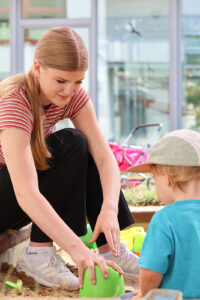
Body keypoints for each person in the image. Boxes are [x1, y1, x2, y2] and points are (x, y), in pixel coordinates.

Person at [0, 26, 139, 290]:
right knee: (72, 142)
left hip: (15, 196)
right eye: (61, 81)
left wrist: (109, 208)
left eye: (78, 82)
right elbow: (26, 193)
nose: (69, 91)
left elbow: (105, 158)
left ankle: (111, 249)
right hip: (9, 195)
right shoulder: (15, 103)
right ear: (38, 68)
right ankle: (38, 254)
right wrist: (78, 251)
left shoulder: (71, 96)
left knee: (82, 145)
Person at [128, 129, 200, 299]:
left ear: (167, 178)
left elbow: (151, 273)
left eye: (154, 180)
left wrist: (145, 294)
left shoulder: (165, 219)